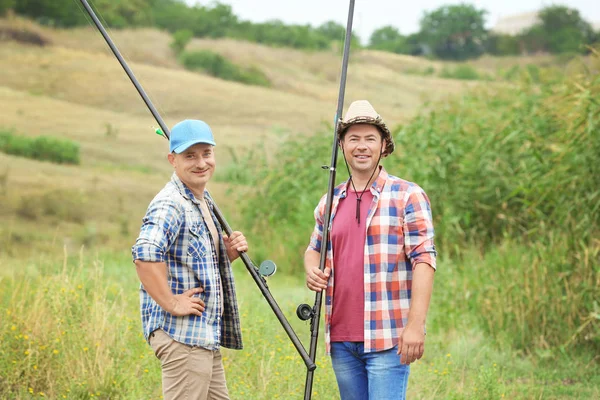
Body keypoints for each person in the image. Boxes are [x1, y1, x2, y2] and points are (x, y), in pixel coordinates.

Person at [304, 100, 437, 400]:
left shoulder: (407, 195)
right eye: (353, 138)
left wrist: (415, 326)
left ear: (384, 145)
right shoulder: (331, 200)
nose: (361, 146)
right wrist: (311, 269)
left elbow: (424, 261)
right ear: (342, 144)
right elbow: (313, 249)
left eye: (369, 138)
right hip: (340, 340)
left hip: (387, 338)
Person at [132, 119, 248, 400]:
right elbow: (145, 255)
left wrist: (226, 255)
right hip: (183, 336)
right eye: (190, 156)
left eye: (206, 154)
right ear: (172, 160)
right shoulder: (171, 202)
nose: (201, 163)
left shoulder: (200, 199)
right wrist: (172, 302)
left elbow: (189, 260)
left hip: (203, 336)